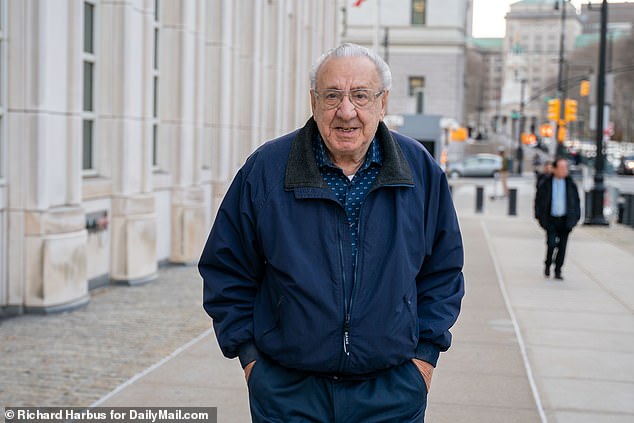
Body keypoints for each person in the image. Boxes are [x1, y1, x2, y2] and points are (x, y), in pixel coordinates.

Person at [199, 43, 465, 422]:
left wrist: (423, 362)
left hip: (391, 393)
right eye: (332, 95)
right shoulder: (266, 170)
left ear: (382, 102)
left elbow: (443, 270)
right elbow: (226, 269)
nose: (346, 111)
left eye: (360, 95)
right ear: (313, 101)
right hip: (287, 393)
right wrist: (251, 362)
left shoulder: (419, 171)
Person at [534, 157, 581, 280]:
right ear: (554, 169)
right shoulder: (546, 184)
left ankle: (558, 270)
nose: (564, 170)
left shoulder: (571, 184)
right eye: (561, 168)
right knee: (551, 244)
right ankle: (548, 263)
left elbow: (576, 202)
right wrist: (539, 217)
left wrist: (576, 218)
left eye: (565, 168)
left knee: (562, 247)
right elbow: (539, 201)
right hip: (551, 219)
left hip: (566, 219)